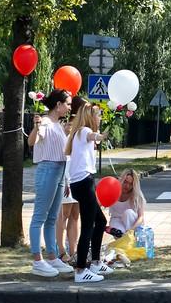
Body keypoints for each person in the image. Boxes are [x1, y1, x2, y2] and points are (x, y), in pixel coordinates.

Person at [24, 90, 75, 277]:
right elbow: (32, 141)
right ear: (58, 105)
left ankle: (52, 257)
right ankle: (37, 260)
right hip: (48, 170)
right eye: (67, 104)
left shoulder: (58, 124)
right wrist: (37, 127)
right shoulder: (45, 122)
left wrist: (66, 179)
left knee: (53, 217)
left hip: (60, 171)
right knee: (40, 216)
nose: (69, 107)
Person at [66, 102, 113, 282]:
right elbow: (94, 136)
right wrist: (102, 135)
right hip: (84, 183)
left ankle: (95, 262)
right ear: (90, 117)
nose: (100, 118)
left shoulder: (78, 133)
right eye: (98, 115)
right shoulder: (84, 131)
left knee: (100, 221)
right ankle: (80, 270)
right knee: (88, 226)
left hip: (82, 183)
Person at [56, 97, 86, 262]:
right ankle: (60, 250)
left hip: (78, 175)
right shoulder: (68, 126)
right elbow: (66, 152)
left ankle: (73, 251)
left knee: (75, 214)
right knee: (64, 214)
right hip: (67, 175)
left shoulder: (83, 126)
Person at [107, 168, 146, 238]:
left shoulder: (137, 195)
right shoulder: (113, 191)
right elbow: (99, 205)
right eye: (125, 182)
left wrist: (131, 230)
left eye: (131, 184)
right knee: (119, 233)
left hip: (133, 223)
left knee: (128, 213)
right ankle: (124, 241)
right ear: (121, 180)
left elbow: (141, 217)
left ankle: (131, 238)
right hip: (117, 220)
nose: (127, 186)